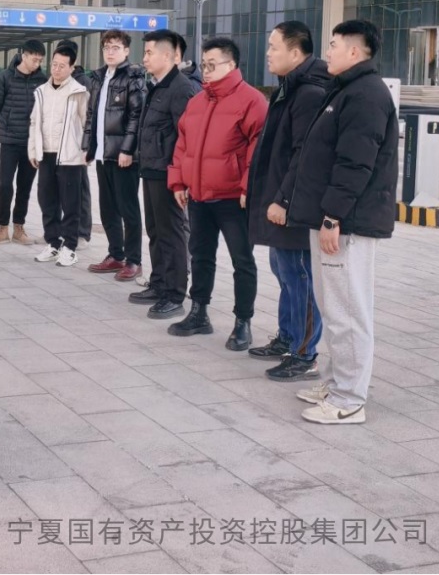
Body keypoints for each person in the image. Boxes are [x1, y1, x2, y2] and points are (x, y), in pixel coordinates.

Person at [281, 19, 398, 425]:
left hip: (347, 223)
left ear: (354, 51)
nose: (327, 51)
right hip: (331, 218)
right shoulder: (345, 89)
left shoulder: (366, 95)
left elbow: (355, 163)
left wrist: (333, 216)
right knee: (333, 307)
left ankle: (349, 399)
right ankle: (335, 383)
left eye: (333, 45)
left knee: (348, 310)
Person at [168, 36, 267, 349]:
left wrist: (248, 187)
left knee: (242, 260)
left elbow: (257, 150)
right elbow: (182, 145)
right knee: (201, 256)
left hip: (233, 198)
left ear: (232, 64)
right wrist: (178, 182)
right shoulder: (198, 101)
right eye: (204, 65)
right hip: (199, 195)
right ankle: (199, 313)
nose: (206, 71)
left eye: (212, 65)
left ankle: (243, 322)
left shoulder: (252, 100)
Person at [247, 21, 329, 380]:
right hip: (278, 199)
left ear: (295, 53)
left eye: (273, 46)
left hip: (295, 205)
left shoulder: (308, 92)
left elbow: (304, 156)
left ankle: (305, 353)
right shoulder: (289, 87)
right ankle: (287, 337)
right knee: (284, 272)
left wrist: (283, 200)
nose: (268, 53)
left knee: (300, 278)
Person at [131, 29, 199, 319]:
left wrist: (180, 178)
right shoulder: (157, 86)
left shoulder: (181, 88)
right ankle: (158, 284)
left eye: (149, 52)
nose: (144, 58)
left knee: (172, 234)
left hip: (169, 174)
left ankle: (174, 293)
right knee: (156, 230)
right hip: (151, 169)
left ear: (169, 56)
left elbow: (187, 137)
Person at [83, 30, 147, 281]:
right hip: (103, 154)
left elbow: (136, 116)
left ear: (126, 51)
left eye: (116, 47)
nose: (110, 52)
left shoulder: (133, 77)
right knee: (108, 208)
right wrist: (89, 148)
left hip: (123, 156)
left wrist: (127, 150)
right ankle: (115, 255)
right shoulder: (98, 77)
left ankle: (134, 260)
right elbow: (92, 115)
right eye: (107, 47)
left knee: (128, 208)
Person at [28, 46, 89, 267]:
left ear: (72, 68)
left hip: (70, 156)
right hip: (46, 154)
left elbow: (86, 123)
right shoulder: (41, 91)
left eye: (62, 66)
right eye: (54, 64)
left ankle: (70, 247)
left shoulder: (78, 91)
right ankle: (53, 243)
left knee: (70, 203)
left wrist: (85, 151)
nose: (56, 69)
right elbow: (35, 122)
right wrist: (33, 150)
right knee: (47, 200)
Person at [0, 39, 48, 245]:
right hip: (10, 142)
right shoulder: (5, 77)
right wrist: (7, 124)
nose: (37, 64)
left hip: (31, 144)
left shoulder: (42, 80)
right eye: (34, 59)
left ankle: (19, 228)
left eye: (40, 60)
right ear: (24, 56)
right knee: (5, 184)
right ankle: (2, 228)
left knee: (25, 187)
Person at [56, 40, 96, 248]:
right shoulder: (56, 81)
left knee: (80, 189)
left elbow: (88, 117)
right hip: (56, 145)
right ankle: (62, 229)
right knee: (60, 188)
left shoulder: (83, 82)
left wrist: (86, 146)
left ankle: (81, 232)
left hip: (76, 145)